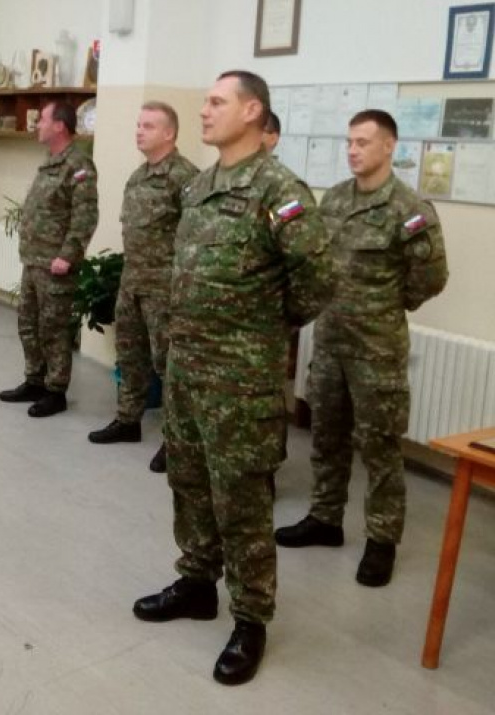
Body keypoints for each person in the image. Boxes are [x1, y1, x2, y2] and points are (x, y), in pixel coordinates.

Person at [133, 71, 333, 686]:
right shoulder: (199, 187)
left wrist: (262, 326)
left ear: (252, 111)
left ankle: (250, 619)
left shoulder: (280, 189)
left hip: (242, 380)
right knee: (189, 482)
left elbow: (318, 281)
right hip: (187, 369)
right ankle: (197, 583)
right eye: (205, 102)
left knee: (242, 499)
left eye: (217, 102)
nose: (204, 111)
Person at [275, 109, 448, 587]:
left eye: (363, 142)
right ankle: (325, 518)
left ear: (389, 146)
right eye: (349, 142)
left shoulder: (408, 208)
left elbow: (431, 277)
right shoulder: (334, 200)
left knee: (379, 446)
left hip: (377, 349)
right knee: (326, 436)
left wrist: (387, 304)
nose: (353, 150)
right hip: (330, 341)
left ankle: (381, 539)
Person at [88, 102, 198, 473]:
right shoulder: (138, 176)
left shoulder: (185, 177)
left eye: (148, 126)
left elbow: (194, 238)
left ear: (169, 133)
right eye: (138, 124)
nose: (139, 131)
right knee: (130, 356)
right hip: (132, 282)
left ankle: (176, 440)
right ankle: (127, 420)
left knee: (168, 365)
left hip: (164, 290)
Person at [0, 101, 99, 417]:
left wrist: (68, 256)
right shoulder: (50, 162)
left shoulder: (78, 165)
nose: (36, 124)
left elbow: (85, 216)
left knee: (53, 328)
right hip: (34, 259)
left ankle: (56, 391)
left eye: (42, 119)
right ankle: (35, 380)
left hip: (55, 264)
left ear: (59, 125)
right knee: (28, 324)